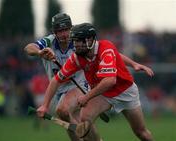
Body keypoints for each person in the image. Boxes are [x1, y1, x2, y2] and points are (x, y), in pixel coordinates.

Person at [36, 23, 154, 141]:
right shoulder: (77, 58)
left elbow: (110, 81)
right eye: (75, 41)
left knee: (141, 133)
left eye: (79, 42)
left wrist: (87, 97)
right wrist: (45, 105)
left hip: (125, 91)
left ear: (90, 40)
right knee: (85, 118)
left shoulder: (105, 48)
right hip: (103, 93)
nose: (75, 45)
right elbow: (56, 80)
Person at [24, 13, 90, 141]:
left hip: (79, 85)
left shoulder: (78, 41)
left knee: (63, 111)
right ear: (54, 32)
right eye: (60, 31)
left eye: (66, 30)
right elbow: (28, 48)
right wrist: (39, 52)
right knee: (74, 120)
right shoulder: (49, 41)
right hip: (58, 90)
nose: (64, 34)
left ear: (71, 28)